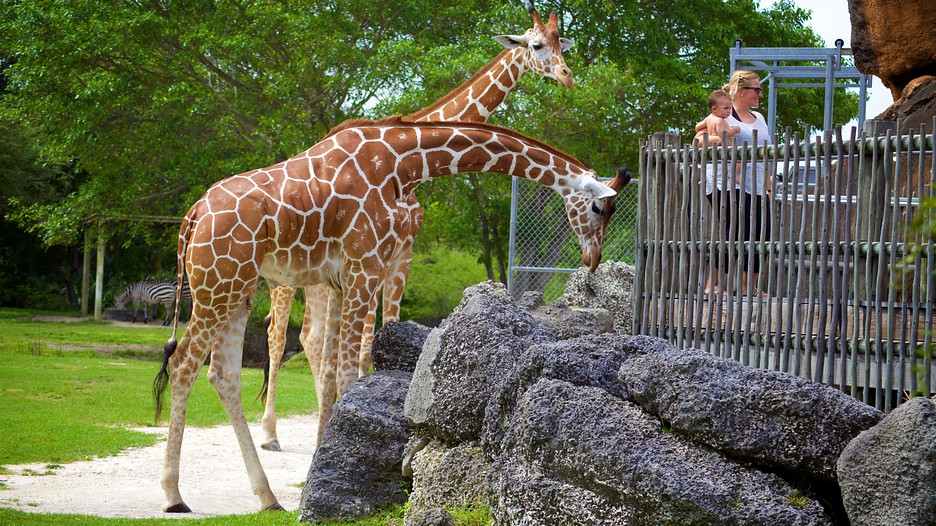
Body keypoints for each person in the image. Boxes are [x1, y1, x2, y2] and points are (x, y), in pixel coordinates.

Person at [722, 69, 772, 295]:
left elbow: (769, 152)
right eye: (757, 90)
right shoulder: (725, 116)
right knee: (738, 234)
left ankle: (749, 286)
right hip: (736, 186)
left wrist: (769, 185)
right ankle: (722, 285)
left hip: (760, 184)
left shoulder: (759, 118)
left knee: (763, 233)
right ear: (741, 91)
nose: (760, 95)